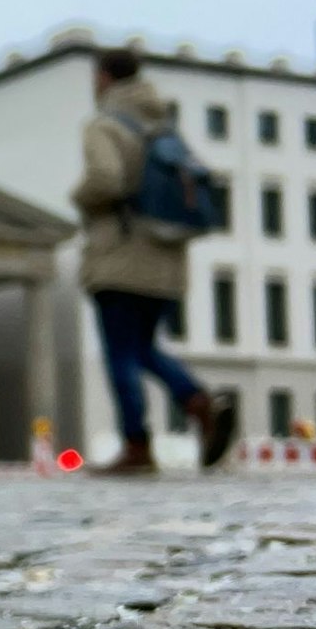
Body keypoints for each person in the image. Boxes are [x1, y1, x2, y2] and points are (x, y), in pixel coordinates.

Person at [71, 48, 236, 474]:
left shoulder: (104, 125)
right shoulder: (164, 126)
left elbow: (107, 180)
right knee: (142, 347)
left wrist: (80, 197)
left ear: (104, 77)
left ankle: (137, 445)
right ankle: (198, 402)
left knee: (121, 353)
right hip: (166, 259)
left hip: (120, 255)